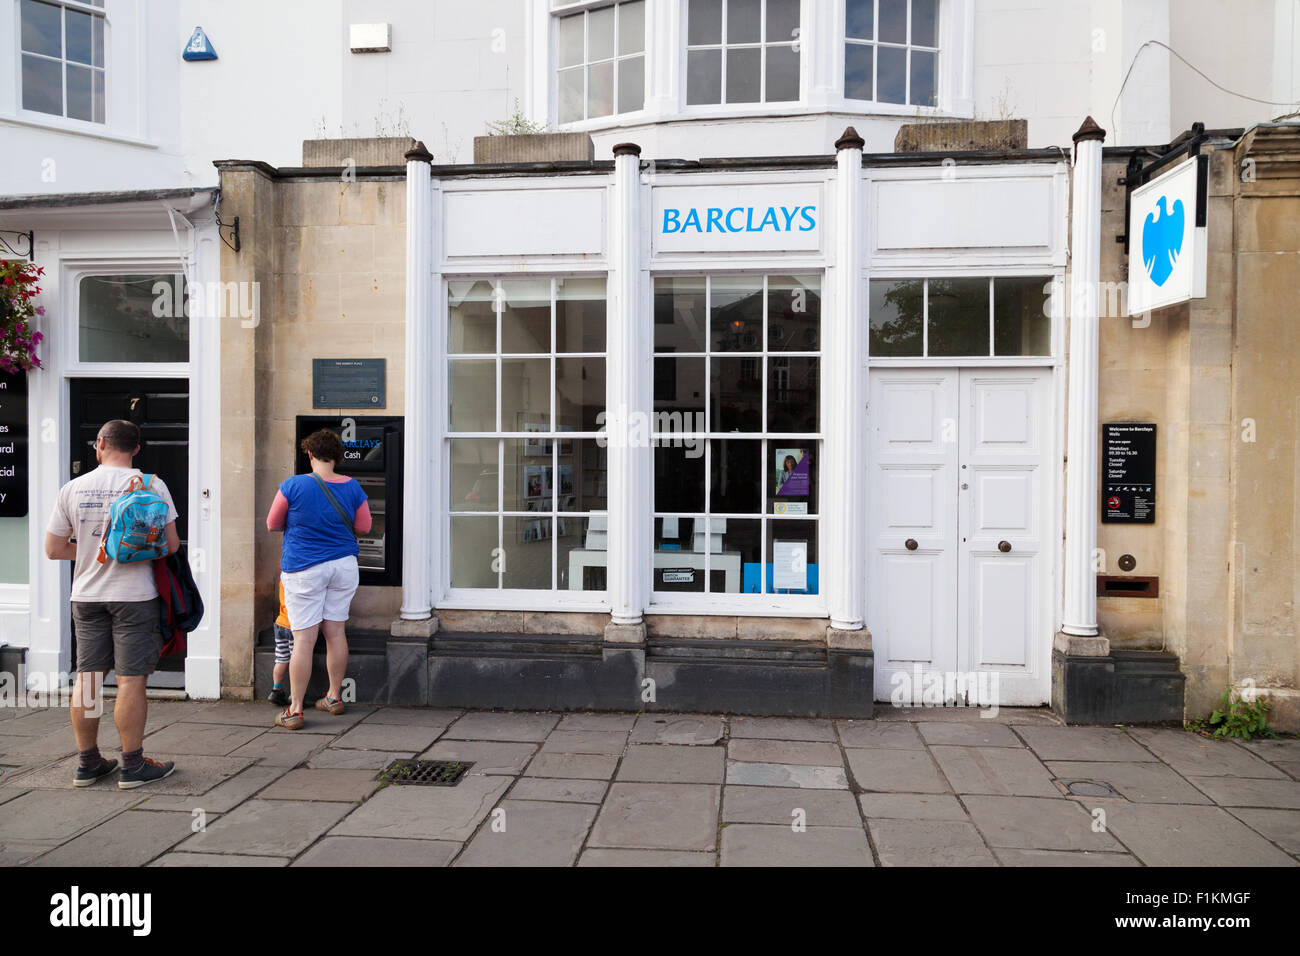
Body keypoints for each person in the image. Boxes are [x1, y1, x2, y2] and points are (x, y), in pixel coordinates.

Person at [44, 419, 179, 789]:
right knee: (131, 680)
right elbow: (170, 546)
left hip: (86, 595)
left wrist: (90, 550)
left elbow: (54, 549)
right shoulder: (152, 485)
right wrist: (130, 552)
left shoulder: (73, 488)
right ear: (137, 449)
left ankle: (88, 763)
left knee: (87, 677)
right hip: (135, 596)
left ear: (99, 444)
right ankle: (132, 766)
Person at [265, 429, 371, 729]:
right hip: (343, 566)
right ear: (337, 456)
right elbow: (364, 527)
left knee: (304, 639)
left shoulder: (293, 485)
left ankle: (295, 710)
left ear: (309, 454)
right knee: (336, 632)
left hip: (304, 568)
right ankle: (334, 697)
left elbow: (273, 523)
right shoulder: (353, 487)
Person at [267, 578, 292, 707]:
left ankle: (276, 690)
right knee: (296, 659)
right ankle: (295, 693)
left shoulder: (283, 578)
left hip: (280, 623)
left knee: (281, 658)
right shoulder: (298, 578)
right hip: (294, 625)